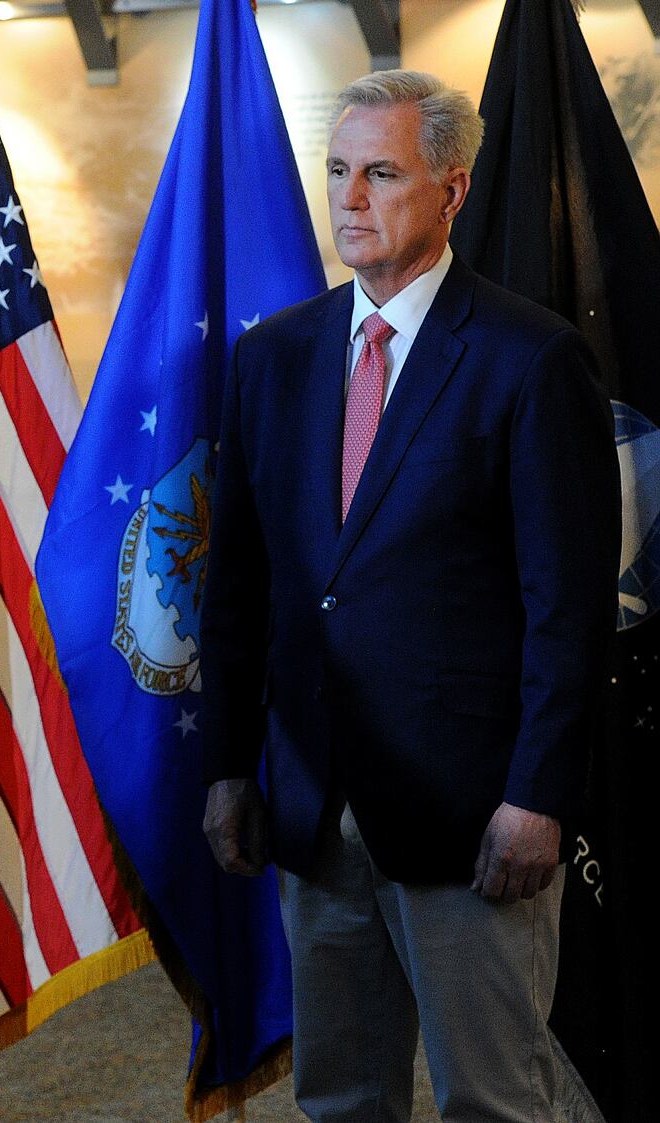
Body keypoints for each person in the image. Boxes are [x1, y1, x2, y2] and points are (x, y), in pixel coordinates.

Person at [199, 70, 620, 1122]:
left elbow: (565, 607)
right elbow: (240, 585)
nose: (349, 198)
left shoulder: (529, 360)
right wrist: (226, 767)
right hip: (312, 801)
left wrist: (538, 794)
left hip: (474, 815)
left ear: (452, 188)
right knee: (340, 1097)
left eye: (381, 173)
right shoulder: (273, 359)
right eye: (338, 171)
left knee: (493, 1099)